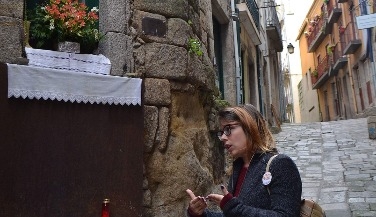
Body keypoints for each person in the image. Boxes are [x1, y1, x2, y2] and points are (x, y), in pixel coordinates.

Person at [186, 104, 302, 217]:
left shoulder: (280, 165)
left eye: (229, 129)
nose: (223, 137)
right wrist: (200, 214)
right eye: (221, 132)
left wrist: (232, 207)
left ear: (250, 128)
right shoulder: (238, 167)